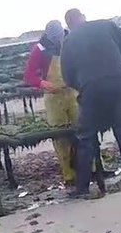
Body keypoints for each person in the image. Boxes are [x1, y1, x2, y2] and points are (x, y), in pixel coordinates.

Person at [60, 8, 121, 198]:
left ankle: (83, 188)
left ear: (68, 25)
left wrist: (81, 85)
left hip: (90, 88)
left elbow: (67, 74)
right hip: (117, 82)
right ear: (84, 18)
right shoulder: (107, 25)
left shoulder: (69, 40)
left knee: (86, 137)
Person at [23, 20, 79, 187]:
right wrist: (43, 84)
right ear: (48, 36)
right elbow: (29, 75)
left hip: (73, 92)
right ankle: (69, 175)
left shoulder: (72, 41)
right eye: (55, 38)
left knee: (83, 130)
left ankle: (93, 168)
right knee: (60, 136)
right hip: (53, 97)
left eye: (60, 37)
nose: (58, 41)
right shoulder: (39, 50)